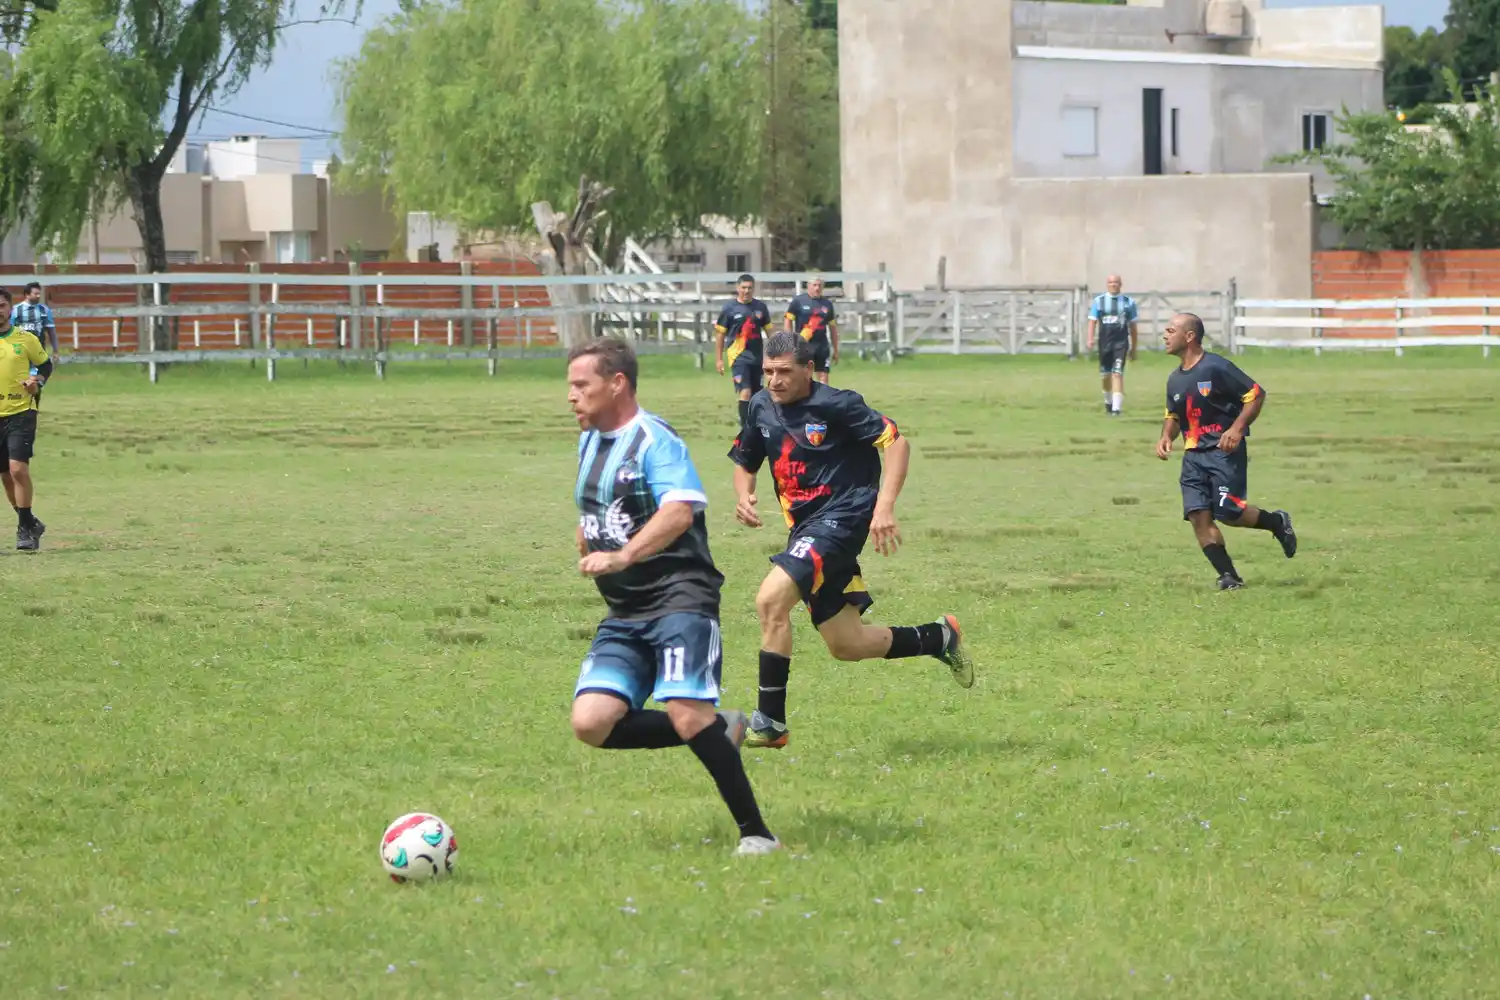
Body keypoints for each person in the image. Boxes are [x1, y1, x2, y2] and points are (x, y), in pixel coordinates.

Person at [567, 336, 780, 856]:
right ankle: (721, 727)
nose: (571, 396)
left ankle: (757, 834)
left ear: (617, 383)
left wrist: (622, 556)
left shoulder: (653, 439)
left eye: (581, 385)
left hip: (680, 598)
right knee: (591, 723)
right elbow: (599, 506)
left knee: (685, 713)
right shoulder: (589, 439)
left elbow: (679, 510)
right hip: (626, 609)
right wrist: (589, 536)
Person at [728, 331, 974, 749]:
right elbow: (746, 459)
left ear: (809, 369)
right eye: (768, 372)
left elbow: (896, 443)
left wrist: (885, 507)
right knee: (847, 644)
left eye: (785, 372)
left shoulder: (837, 404)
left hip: (844, 516)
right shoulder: (760, 406)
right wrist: (743, 495)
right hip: (804, 530)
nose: (774, 381)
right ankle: (940, 637)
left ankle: (770, 722)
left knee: (770, 601)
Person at [1155, 313, 1296, 590]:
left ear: (1190, 336)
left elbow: (1255, 394)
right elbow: (1173, 414)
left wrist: (1237, 428)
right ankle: (1229, 576)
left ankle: (1276, 522)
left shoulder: (1216, 368)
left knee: (1228, 513)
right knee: (1198, 515)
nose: (1165, 335)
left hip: (1223, 452)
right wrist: (1165, 436)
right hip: (1193, 457)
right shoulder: (1174, 379)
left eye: (1171, 330)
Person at [0, 288, 53, 551]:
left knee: (18, 469)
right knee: (6, 477)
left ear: (10, 309)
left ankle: (24, 530)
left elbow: (45, 365)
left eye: (1, 305)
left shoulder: (25, 338)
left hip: (21, 410)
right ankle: (30, 521)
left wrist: (36, 381)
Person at [714, 274, 772, 431]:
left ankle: (756, 425)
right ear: (737, 288)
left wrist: (775, 354)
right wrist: (719, 359)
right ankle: (745, 429)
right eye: (743, 287)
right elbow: (720, 334)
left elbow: (770, 332)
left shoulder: (760, 308)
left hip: (757, 358)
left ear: (754, 289)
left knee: (758, 394)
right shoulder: (729, 309)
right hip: (738, 357)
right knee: (745, 392)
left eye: (750, 288)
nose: (746, 291)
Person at [1086, 275, 1138, 416]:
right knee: (1105, 375)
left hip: (1121, 343)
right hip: (1105, 343)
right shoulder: (1099, 301)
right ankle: (1108, 402)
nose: (1113, 284)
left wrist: (1134, 347)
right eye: (1110, 282)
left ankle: (1116, 409)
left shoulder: (1128, 302)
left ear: (1120, 284)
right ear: (1107, 284)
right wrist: (1090, 339)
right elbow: (1092, 321)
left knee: (1117, 373)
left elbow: (1133, 326)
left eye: (1116, 282)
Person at [784, 275, 839, 384]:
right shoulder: (798, 301)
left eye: (819, 285)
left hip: (821, 346)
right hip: (803, 345)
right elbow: (788, 320)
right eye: (814, 285)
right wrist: (790, 341)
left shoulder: (827, 304)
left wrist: (836, 349)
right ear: (808, 286)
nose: (817, 288)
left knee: (823, 377)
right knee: (804, 377)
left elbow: (833, 328)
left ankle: (822, 400)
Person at [14, 282, 59, 359]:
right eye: (35, 294)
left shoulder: (45, 310)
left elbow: (51, 331)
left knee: (40, 370)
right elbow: (9, 330)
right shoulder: (15, 310)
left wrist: (55, 351)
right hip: (20, 351)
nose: (38, 296)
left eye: (39, 293)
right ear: (27, 295)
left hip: (39, 350)